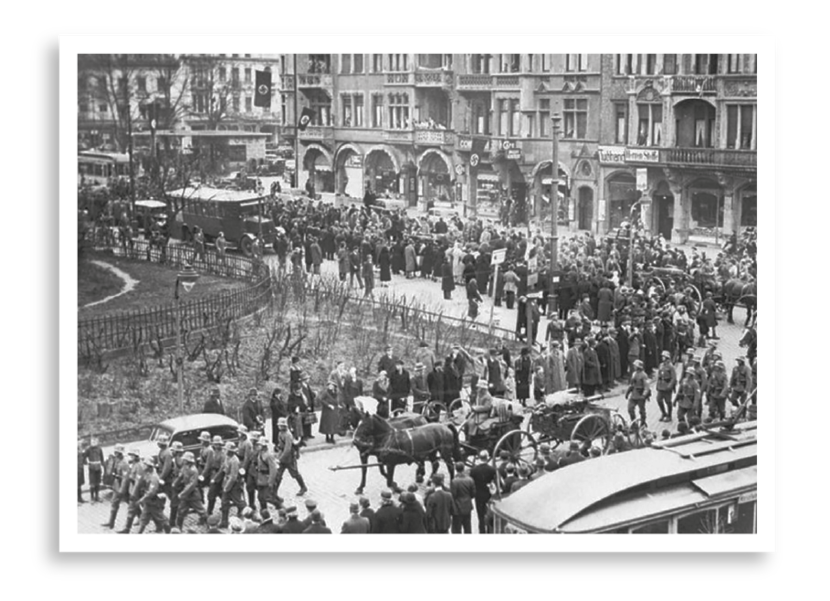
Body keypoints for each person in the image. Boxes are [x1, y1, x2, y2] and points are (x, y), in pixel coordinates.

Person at [274, 417, 308, 498]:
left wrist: (280, 459)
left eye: (281, 425)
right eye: (279, 425)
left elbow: (287, 449)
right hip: (282, 456)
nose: (279, 426)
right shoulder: (280, 433)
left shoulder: (288, 435)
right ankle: (274, 492)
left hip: (289, 458)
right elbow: (281, 446)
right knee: (278, 475)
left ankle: (303, 487)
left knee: (295, 473)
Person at [175, 451, 207, 531]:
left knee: (201, 511)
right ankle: (179, 528)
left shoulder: (194, 470)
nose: (183, 460)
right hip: (186, 495)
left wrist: (182, 494)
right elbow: (181, 476)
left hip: (193, 494)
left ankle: (209, 525)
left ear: (188, 461)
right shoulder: (185, 467)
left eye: (185, 459)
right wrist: (175, 483)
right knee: (181, 511)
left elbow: (191, 485)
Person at [102, 444, 131, 529]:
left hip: (123, 486)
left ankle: (141, 516)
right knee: (114, 503)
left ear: (121, 453)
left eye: (118, 452)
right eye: (115, 452)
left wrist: (122, 490)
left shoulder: (124, 463)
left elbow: (125, 478)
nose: (116, 454)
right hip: (116, 485)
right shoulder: (116, 461)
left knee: (131, 503)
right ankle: (111, 523)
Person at [219, 442, 246, 528]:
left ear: (230, 451)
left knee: (238, 502)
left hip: (234, 485)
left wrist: (227, 488)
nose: (225, 451)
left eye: (226, 449)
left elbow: (233, 477)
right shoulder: (227, 457)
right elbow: (224, 468)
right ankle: (224, 521)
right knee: (224, 503)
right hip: (227, 482)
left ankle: (248, 515)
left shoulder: (235, 460)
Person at [469, 451, 496, 533]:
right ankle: (489, 531)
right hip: (488, 494)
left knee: (480, 515)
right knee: (489, 513)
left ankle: (482, 531)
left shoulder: (474, 470)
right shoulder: (491, 469)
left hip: (478, 495)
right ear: (487, 458)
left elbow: (472, 483)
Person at [450, 462, 476, 534]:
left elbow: (453, 495)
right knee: (467, 527)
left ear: (456, 469)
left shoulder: (454, 481)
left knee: (456, 529)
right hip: (467, 506)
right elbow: (473, 494)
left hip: (457, 507)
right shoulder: (470, 480)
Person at [625, 360, 651, 427]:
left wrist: (644, 395)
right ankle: (634, 423)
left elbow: (646, 387)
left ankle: (643, 423)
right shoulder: (634, 374)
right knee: (630, 408)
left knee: (642, 410)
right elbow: (632, 384)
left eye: (635, 366)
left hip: (640, 395)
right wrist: (628, 392)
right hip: (634, 394)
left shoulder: (644, 375)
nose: (634, 367)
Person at [655, 350, 677, 422]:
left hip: (667, 386)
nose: (662, 358)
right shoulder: (661, 365)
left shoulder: (671, 367)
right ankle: (664, 413)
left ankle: (669, 415)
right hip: (661, 386)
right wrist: (657, 385)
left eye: (663, 356)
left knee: (668, 401)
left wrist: (670, 386)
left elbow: (673, 378)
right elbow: (659, 376)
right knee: (659, 400)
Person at [83, 436, 105, 503]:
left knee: (98, 483)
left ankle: (97, 497)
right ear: (90, 442)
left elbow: (102, 458)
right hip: (92, 468)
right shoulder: (88, 449)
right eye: (92, 441)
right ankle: (92, 498)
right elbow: (84, 457)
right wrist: (87, 463)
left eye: (95, 441)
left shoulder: (99, 449)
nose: (94, 442)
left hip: (98, 468)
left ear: (97, 442)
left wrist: (103, 466)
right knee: (92, 483)